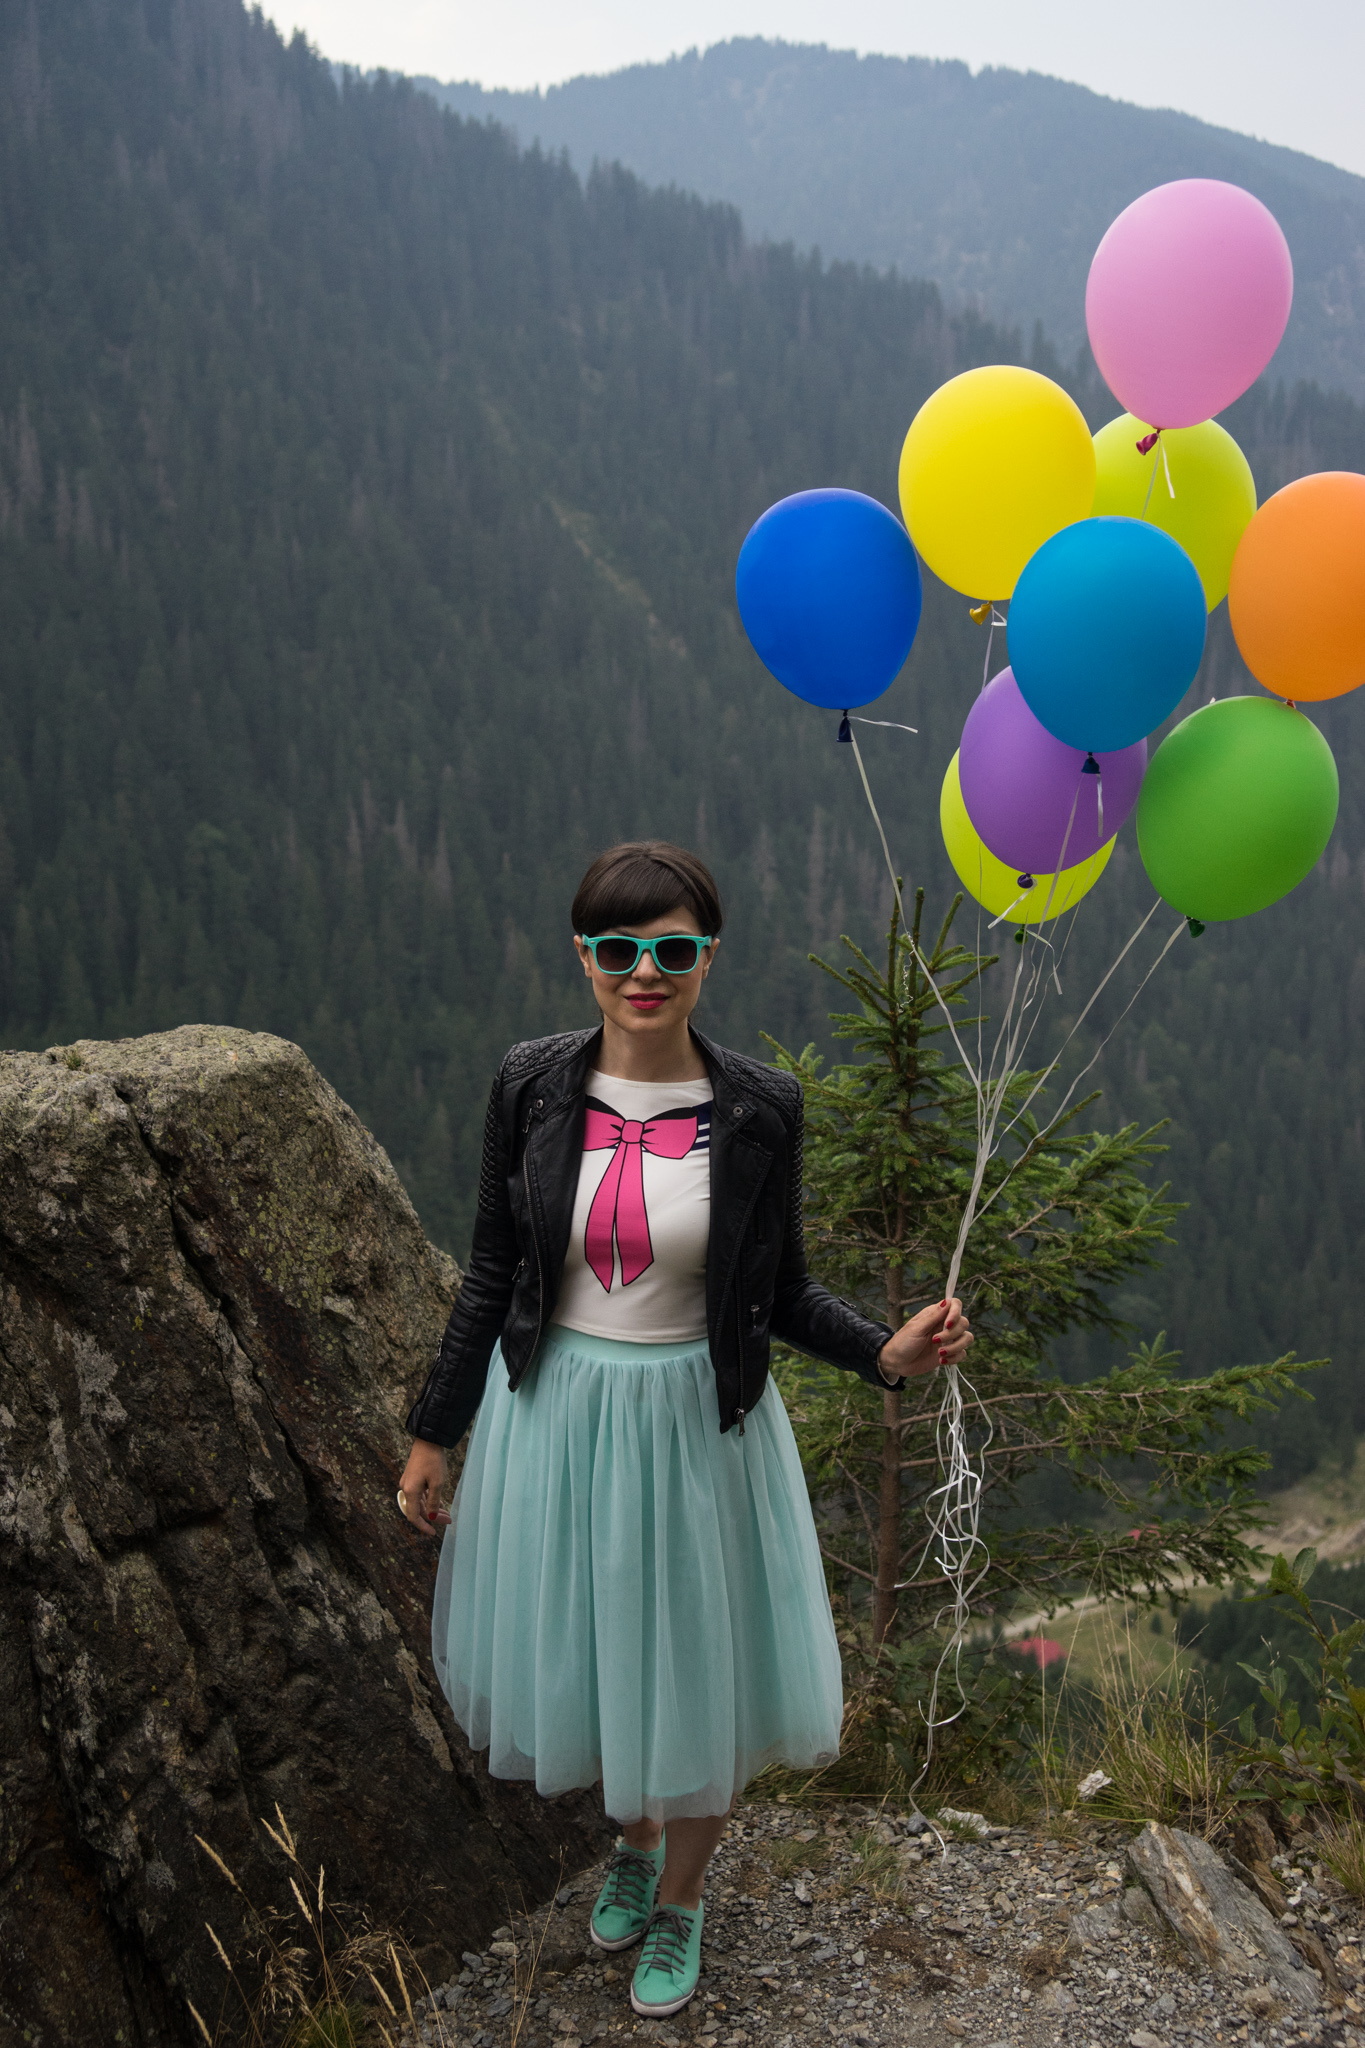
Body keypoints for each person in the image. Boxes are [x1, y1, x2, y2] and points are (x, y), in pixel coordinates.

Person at [399, 840, 972, 2020]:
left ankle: (685, 1893)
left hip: (696, 1424)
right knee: (603, 1649)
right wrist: (432, 1430)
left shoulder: (759, 1106)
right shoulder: (532, 1082)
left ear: (709, 955)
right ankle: (634, 1833)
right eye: (619, 948)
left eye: (673, 947)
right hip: (554, 1416)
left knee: (697, 1666)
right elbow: (492, 1271)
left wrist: (882, 1351)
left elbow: (784, 1287)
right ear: (584, 955)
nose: (644, 971)